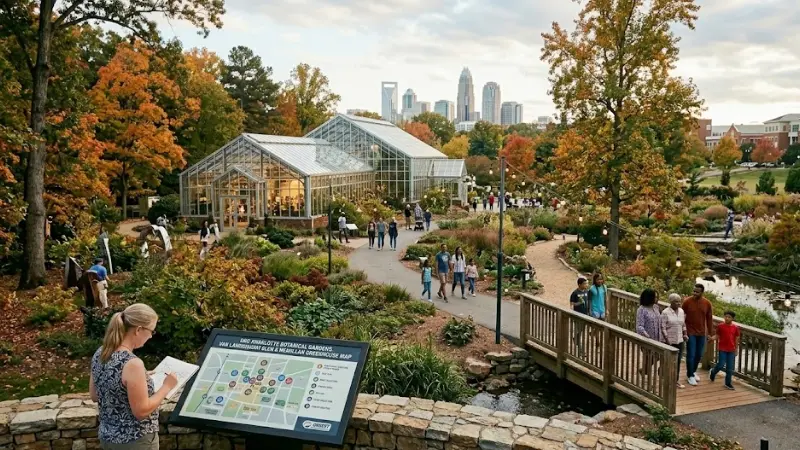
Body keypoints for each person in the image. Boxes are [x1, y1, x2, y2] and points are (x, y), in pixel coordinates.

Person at [90, 304, 178, 450]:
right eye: (151, 331)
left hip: (108, 438)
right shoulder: (132, 364)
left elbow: (95, 395)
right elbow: (141, 411)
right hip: (135, 440)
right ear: (138, 330)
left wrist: (140, 378)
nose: (151, 336)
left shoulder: (101, 353)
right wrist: (166, 387)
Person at [683, 284, 715, 386]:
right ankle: (690, 375)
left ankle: (693, 371)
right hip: (690, 331)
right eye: (694, 291)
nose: (694, 293)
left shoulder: (707, 303)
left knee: (699, 354)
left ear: (702, 292)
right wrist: (683, 330)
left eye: (697, 292)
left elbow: (709, 319)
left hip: (701, 332)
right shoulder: (687, 302)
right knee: (691, 354)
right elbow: (681, 315)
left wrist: (710, 333)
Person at [661, 293, 688, 388]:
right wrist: (667, 339)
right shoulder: (665, 312)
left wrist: (685, 334)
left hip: (680, 340)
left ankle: (675, 381)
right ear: (671, 302)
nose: (679, 303)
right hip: (669, 341)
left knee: (677, 361)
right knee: (668, 361)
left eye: (679, 301)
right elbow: (663, 327)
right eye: (676, 302)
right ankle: (665, 377)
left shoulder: (681, 311)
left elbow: (683, 324)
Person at [710, 311, 740, 390]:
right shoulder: (720, 326)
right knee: (721, 364)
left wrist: (736, 349)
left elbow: (736, 339)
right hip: (722, 348)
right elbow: (717, 335)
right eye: (726, 316)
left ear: (732, 318)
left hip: (731, 349)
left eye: (729, 317)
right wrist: (712, 338)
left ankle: (728, 383)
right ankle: (713, 372)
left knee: (730, 368)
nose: (727, 318)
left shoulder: (735, 328)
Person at [569, 277, 590, 357]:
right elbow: (571, 304)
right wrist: (578, 303)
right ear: (579, 284)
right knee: (579, 332)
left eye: (587, 283)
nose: (586, 285)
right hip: (578, 315)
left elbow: (589, 302)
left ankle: (575, 338)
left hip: (585, 314)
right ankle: (581, 351)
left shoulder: (587, 292)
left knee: (581, 331)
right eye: (585, 283)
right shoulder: (575, 293)